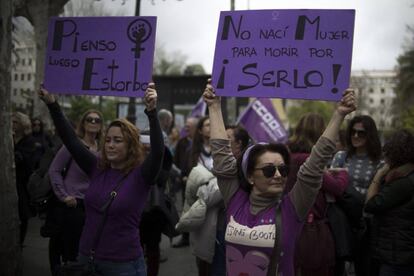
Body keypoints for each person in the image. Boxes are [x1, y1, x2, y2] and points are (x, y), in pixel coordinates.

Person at [204, 78, 356, 276]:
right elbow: (222, 156)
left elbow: (314, 166)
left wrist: (339, 114)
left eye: (283, 170)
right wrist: (214, 107)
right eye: (268, 170)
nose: (278, 175)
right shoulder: (235, 198)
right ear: (250, 176)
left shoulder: (292, 208)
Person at [38, 83, 164, 276]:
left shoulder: (141, 176)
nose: (110, 145)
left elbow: (157, 152)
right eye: (107, 140)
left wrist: (152, 112)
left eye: (118, 140)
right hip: (86, 259)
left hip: (123, 266)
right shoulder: (97, 168)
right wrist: (52, 104)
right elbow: (71, 140)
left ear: (130, 146)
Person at [286, 113, 348, 276]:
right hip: (310, 230)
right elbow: (336, 188)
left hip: (288, 226)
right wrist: (342, 173)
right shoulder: (309, 160)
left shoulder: (287, 157)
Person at [47, 109, 104, 274]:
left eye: (97, 120)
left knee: (88, 251)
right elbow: (54, 170)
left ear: (101, 126)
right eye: (89, 120)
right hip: (73, 206)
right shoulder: (72, 146)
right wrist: (64, 196)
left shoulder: (104, 150)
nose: (93, 123)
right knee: (70, 251)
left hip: (93, 207)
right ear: (83, 124)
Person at [331, 115, 383, 276]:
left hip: (366, 224)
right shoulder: (341, 157)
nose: (355, 136)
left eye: (361, 133)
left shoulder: (380, 162)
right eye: (353, 132)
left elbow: (378, 194)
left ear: (370, 135)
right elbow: (332, 186)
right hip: (342, 220)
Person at [365, 129, 414, 276]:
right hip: (402, 252)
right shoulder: (407, 175)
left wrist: (378, 176)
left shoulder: (403, 182)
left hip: (398, 255)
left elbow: (371, 204)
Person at [172, 117, 199, 248]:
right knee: (186, 211)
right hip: (186, 183)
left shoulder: (201, 143)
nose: (186, 129)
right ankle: (185, 237)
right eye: (186, 126)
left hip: (201, 184)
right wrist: (181, 176)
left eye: (189, 126)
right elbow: (176, 161)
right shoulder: (182, 142)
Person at [12, 112, 37, 247]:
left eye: (15, 122)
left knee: (22, 213)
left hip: (22, 182)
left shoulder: (29, 141)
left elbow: (24, 160)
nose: (12, 124)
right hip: (10, 180)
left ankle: (19, 243)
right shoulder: (9, 137)